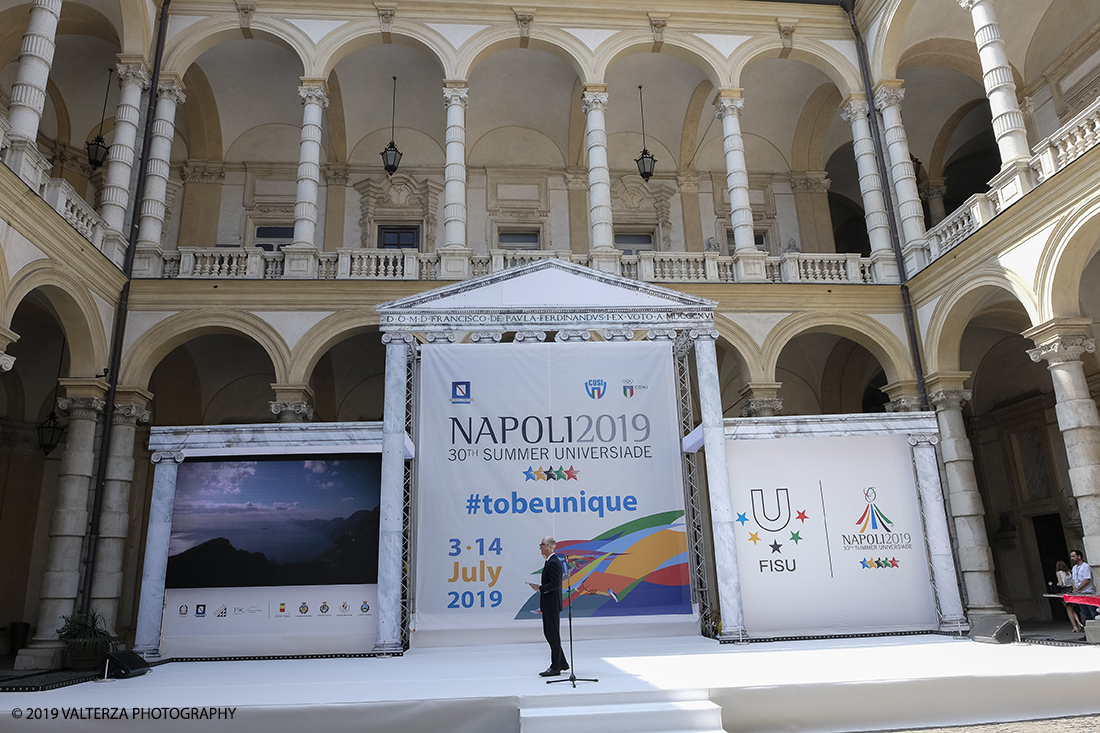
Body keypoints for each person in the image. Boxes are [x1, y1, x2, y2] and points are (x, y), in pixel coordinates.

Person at [528, 536, 568, 677]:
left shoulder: (553, 563)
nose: (540, 548)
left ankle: (556, 667)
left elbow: (555, 585)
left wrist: (540, 588)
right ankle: (562, 663)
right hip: (549, 604)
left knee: (552, 635)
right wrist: (541, 588)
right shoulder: (550, 562)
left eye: (541, 545)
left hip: (551, 605)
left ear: (547, 546)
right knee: (551, 634)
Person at [1050, 560, 1082, 632]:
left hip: (1064, 591)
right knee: (1072, 609)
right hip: (1071, 590)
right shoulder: (1070, 572)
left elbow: (1061, 583)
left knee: (1069, 610)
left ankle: (1075, 627)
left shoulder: (1059, 573)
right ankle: (1079, 623)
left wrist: (1053, 584)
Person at [1070, 549, 1097, 624]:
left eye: (1073, 556)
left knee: (1093, 612)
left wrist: (1077, 589)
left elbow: (1087, 579)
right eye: (1071, 556)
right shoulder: (1074, 568)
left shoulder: (1086, 566)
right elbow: (1073, 580)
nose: (1072, 558)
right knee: (1085, 614)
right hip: (1079, 594)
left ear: (1079, 556)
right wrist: (1074, 589)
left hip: (1087, 592)